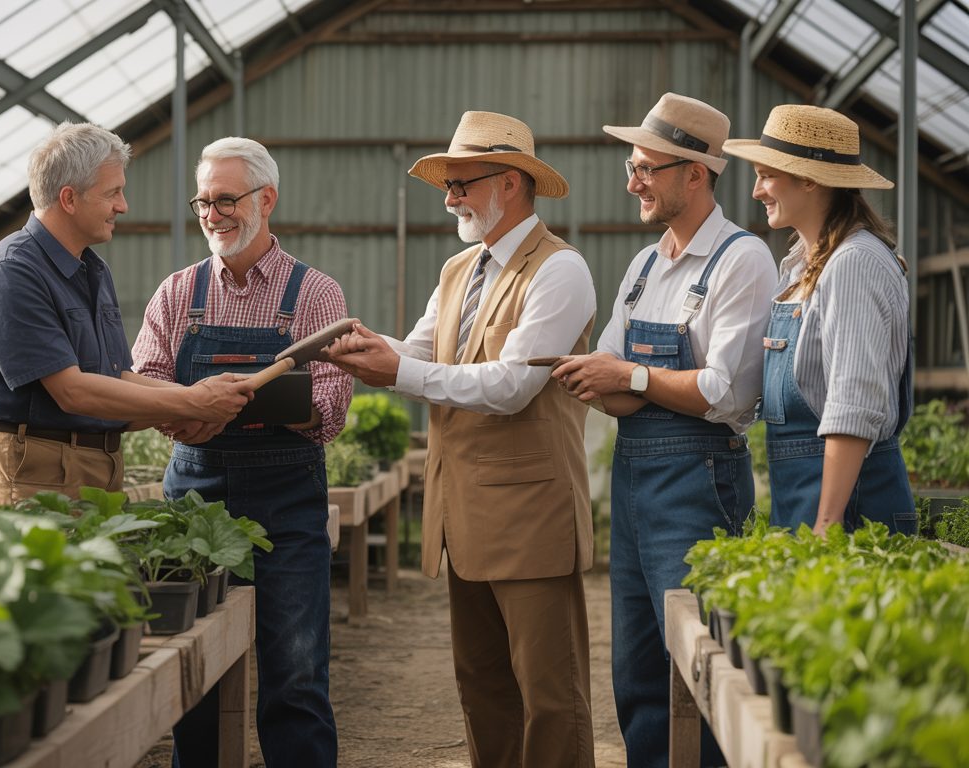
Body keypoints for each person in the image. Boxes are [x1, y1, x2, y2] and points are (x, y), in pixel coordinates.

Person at [325, 111, 597, 768]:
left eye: (461, 184)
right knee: (481, 688)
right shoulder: (459, 271)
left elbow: (511, 387)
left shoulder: (559, 271)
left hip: (531, 518)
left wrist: (399, 368)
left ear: (510, 183)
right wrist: (358, 344)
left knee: (549, 697)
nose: (450, 199)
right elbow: (422, 352)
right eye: (448, 186)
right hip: (467, 515)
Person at [551, 93, 778, 768]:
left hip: (700, 483)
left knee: (700, 668)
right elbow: (617, 381)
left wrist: (633, 379)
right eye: (632, 165)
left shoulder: (743, 260)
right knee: (639, 669)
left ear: (697, 174)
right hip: (634, 481)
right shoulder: (645, 267)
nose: (633, 181)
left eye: (648, 168)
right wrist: (597, 379)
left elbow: (722, 391)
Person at [130, 137, 352, 767]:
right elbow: (145, 380)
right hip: (196, 499)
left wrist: (276, 400)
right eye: (203, 201)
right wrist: (188, 412)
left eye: (225, 200)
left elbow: (333, 408)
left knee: (298, 674)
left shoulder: (315, 295)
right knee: (192, 670)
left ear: (266, 199)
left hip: (287, 501)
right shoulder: (177, 294)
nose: (211, 214)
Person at [0, 123, 251, 504]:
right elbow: (72, 391)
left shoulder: (92, 270)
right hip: (34, 473)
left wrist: (195, 399)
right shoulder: (15, 270)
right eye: (112, 192)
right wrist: (193, 403)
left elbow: (117, 377)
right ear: (69, 198)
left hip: (95, 467)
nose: (123, 205)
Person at [724, 104, 916, 536]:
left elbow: (853, 406)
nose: (757, 191)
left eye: (766, 175)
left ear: (808, 179)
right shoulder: (797, 266)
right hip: (803, 503)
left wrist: (825, 525)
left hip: (851, 512)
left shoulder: (853, 263)